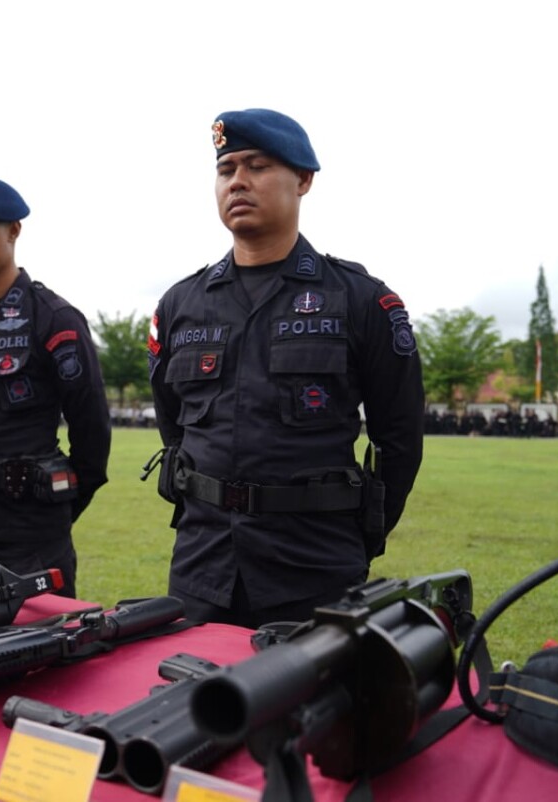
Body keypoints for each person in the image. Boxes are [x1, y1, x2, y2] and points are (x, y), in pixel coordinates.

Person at [148, 108, 425, 628]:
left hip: (315, 566)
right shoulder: (179, 305)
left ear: (303, 180)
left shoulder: (361, 301)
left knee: (312, 708)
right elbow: (174, 426)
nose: (238, 182)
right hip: (202, 569)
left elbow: (400, 437)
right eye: (226, 169)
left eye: (256, 166)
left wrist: (363, 531)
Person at [0, 176, 111, 598]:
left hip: (32, 533)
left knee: (37, 653)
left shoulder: (54, 318)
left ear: (14, 230)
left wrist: (54, 507)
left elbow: (92, 433)